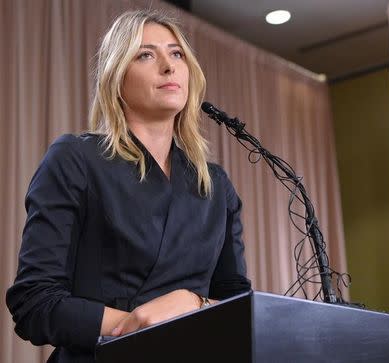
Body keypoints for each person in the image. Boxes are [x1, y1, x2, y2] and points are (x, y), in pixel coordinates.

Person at [6, 9, 251, 363]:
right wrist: (141, 326)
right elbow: (35, 302)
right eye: (146, 54)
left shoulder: (215, 185)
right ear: (116, 78)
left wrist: (192, 303)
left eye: (177, 53)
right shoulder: (75, 159)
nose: (168, 66)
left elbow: (238, 306)